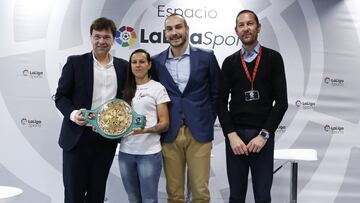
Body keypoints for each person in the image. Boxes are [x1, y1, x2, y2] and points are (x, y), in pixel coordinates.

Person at [217, 10, 288, 203]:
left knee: (263, 196)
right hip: (236, 140)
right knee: (236, 197)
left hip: (262, 139)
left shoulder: (273, 58)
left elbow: (282, 102)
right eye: (241, 25)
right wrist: (231, 136)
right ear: (236, 30)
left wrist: (264, 135)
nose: (246, 28)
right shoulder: (230, 62)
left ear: (258, 28)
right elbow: (220, 102)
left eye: (250, 24)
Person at [54, 17, 128, 203]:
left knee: (97, 194)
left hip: (106, 140)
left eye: (106, 37)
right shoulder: (75, 62)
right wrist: (73, 114)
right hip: (76, 138)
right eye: (97, 37)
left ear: (113, 39)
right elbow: (61, 96)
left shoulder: (124, 67)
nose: (101, 41)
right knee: (73, 195)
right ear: (91, 38)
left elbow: (126, 102)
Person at [152, 13, 221, 203]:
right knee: (174, 194)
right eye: (169, 29)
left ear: (187, 29)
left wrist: (206, 120)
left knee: (200, 192)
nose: (174, 32)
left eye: (178, 27)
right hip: (169, 133)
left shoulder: (206, 57)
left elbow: (218, 94)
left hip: (199, 132)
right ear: (165, 33)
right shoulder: (156, 62)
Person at [118, 49, 170, 203]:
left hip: (149, 154)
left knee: (149, 199)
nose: (138, 65)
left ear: (149, 65)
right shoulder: (124, 89)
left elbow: (165, 123)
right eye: (134, 62)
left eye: (142, 62)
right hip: (125, 153)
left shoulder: (157, 88)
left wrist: (144, 130)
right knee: (133, 199)